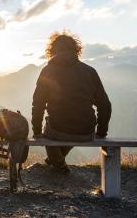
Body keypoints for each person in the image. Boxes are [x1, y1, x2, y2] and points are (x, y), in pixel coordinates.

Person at [31, 31, 112, 172]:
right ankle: (52, 161)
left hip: (57, 130)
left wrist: (37, 131)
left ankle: (60, 167)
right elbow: (105, 105)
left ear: (52, 50)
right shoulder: (89, 71)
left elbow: (38, 104)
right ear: (76, 50)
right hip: (86, 131)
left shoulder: (48, 71)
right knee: (73, 125)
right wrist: (101, 132)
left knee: (49, 130)